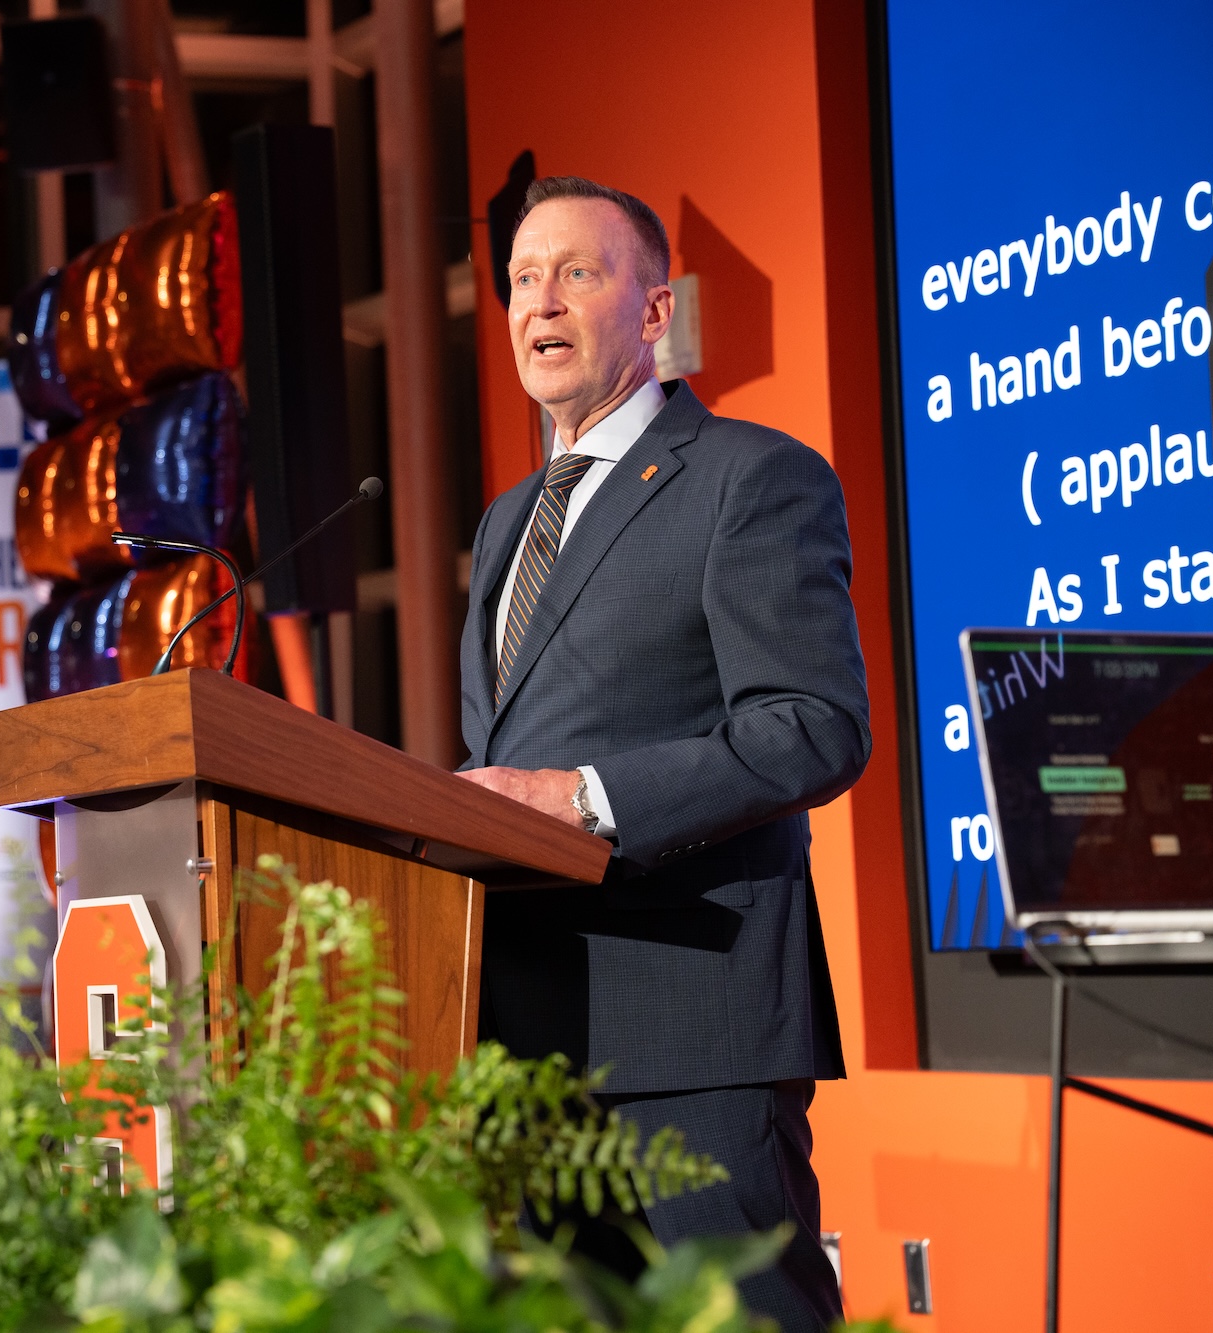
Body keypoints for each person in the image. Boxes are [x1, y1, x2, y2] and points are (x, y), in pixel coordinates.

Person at [456, 176, 869, 1331]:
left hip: (693, 1030)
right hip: (526, 1039)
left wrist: (583, 798)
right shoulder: (502, 524)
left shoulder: (747, 476)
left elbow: (813, 724)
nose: (541, 301)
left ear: (652, 311)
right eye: (522, 279)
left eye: (576, 273)